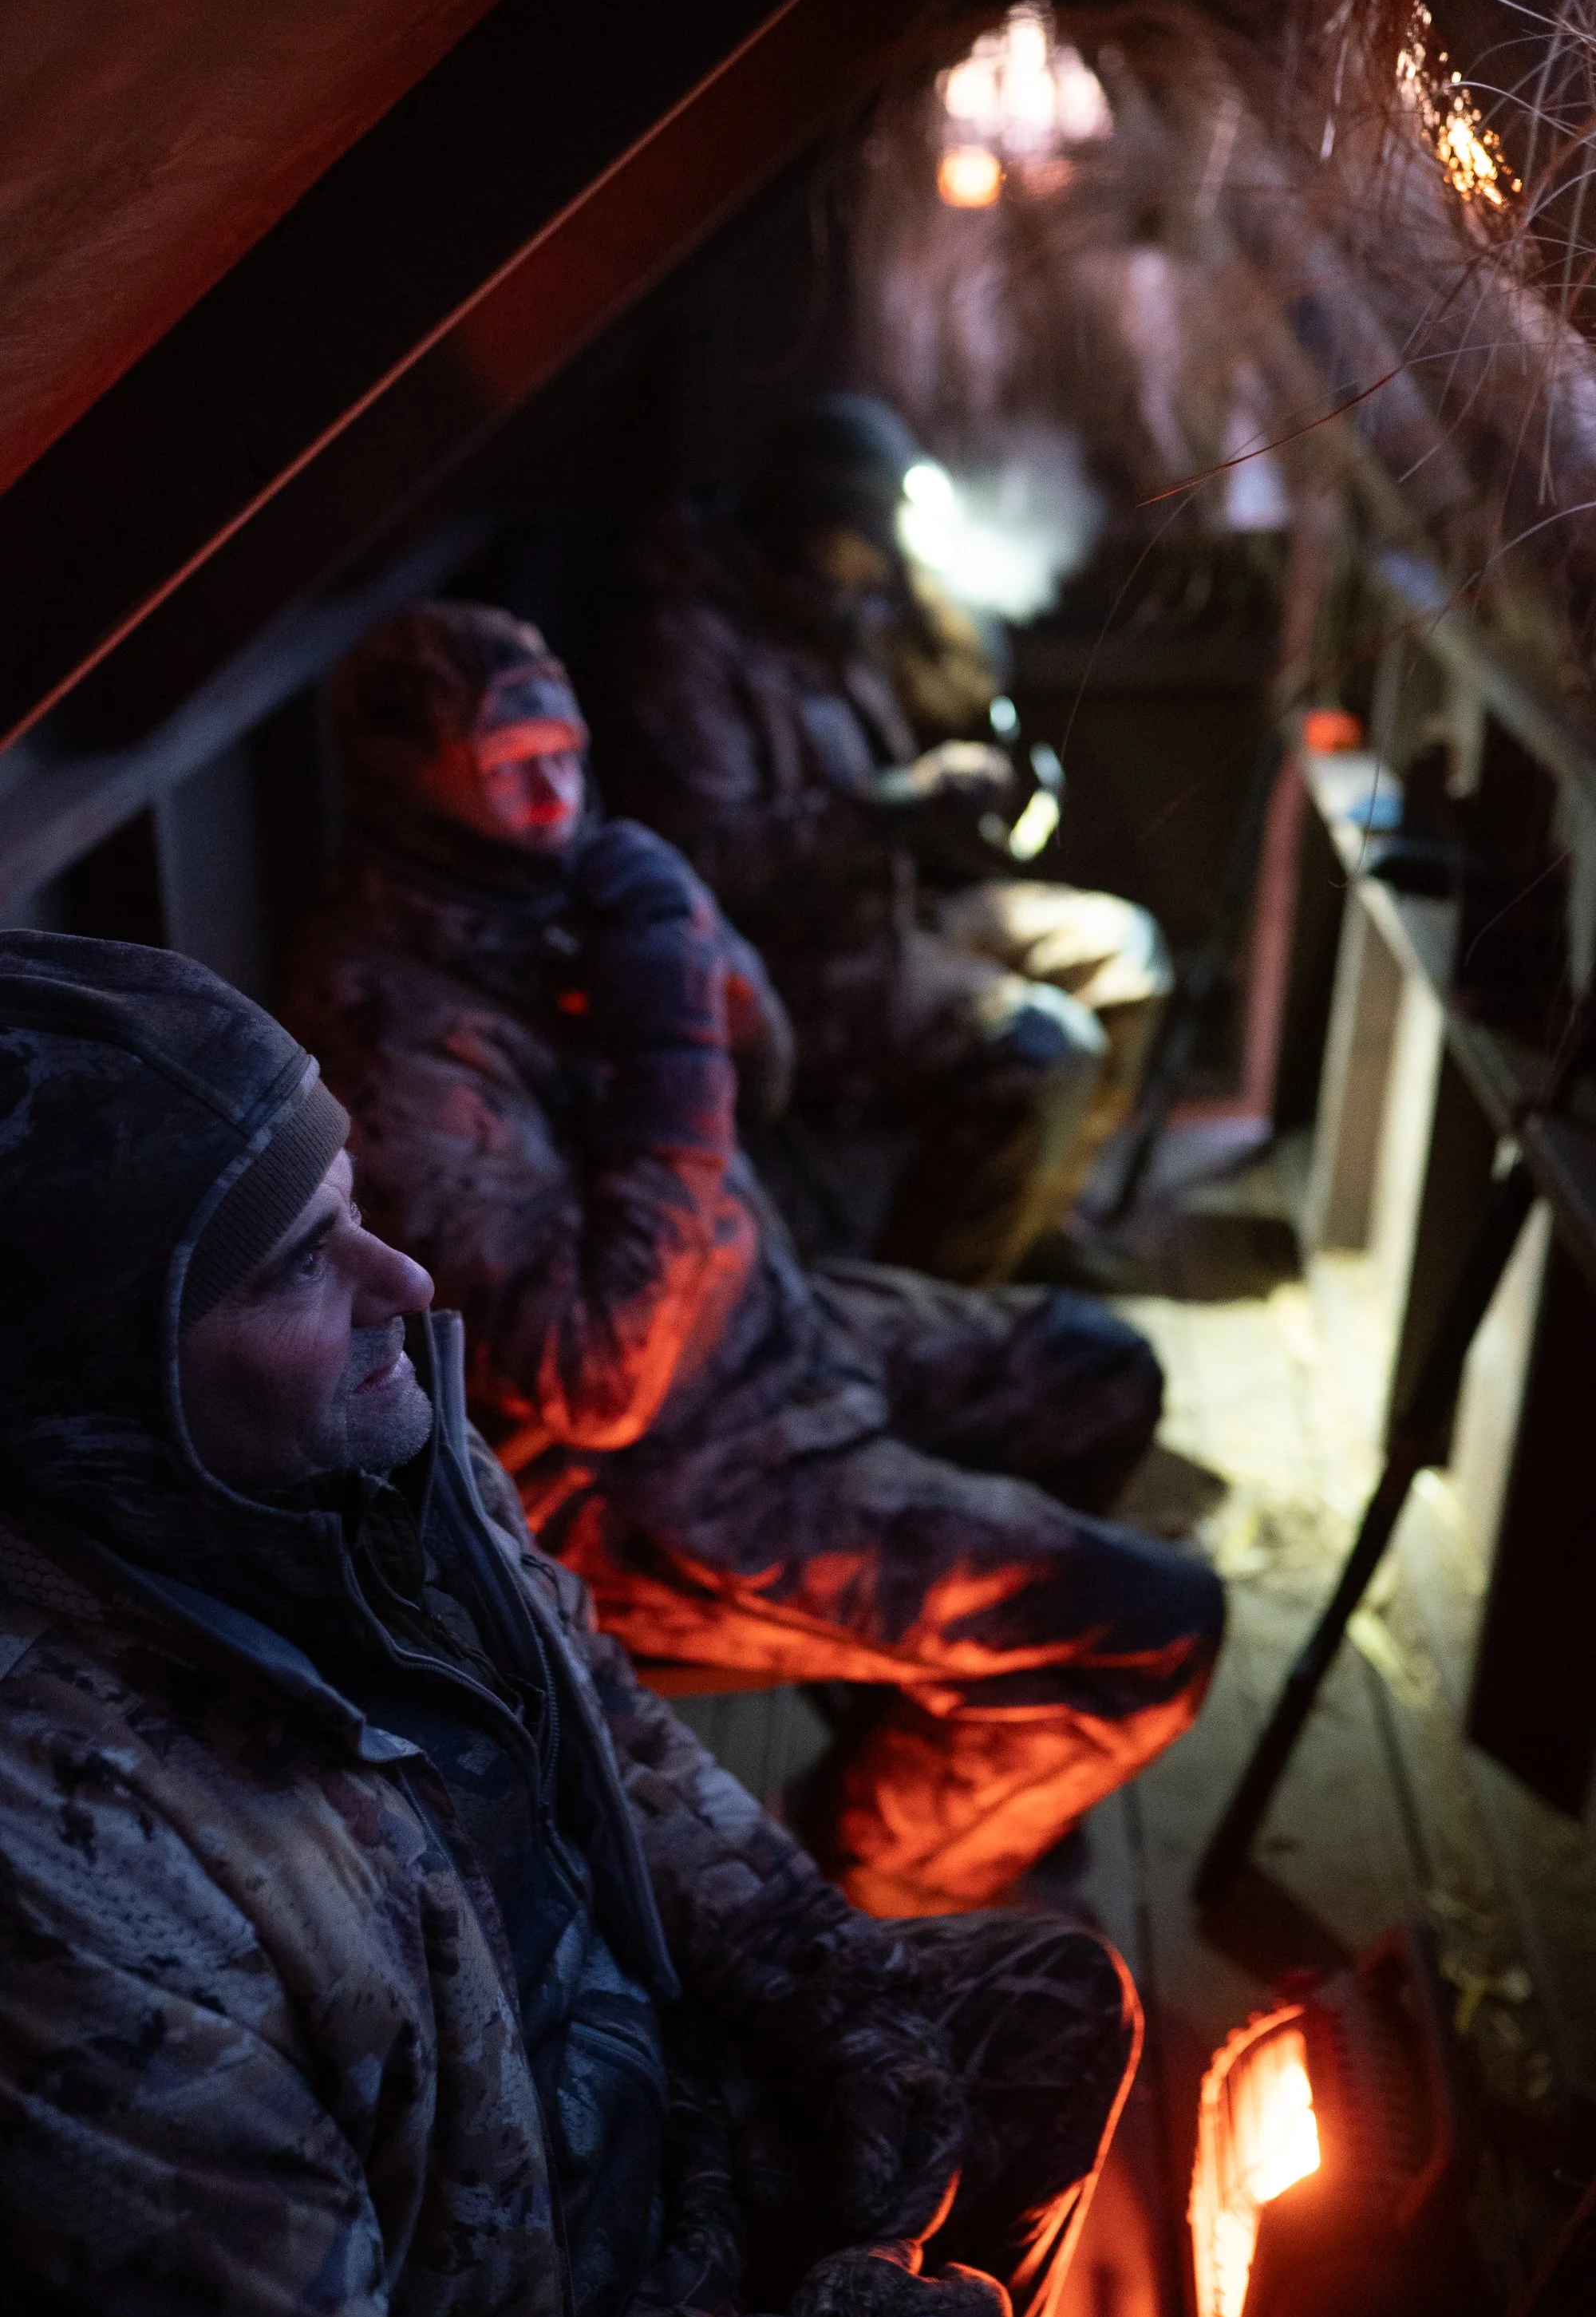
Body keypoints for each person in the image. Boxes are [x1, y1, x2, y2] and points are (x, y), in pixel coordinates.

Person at [0, 927, 1141, 2317]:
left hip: (643, 2095)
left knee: (1050, 2009)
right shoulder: (61, 1859)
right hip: (534, 2271)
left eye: (353, 1200)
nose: (404, 1285)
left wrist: (820, 1977)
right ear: (100, 1386)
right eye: (298, 1267)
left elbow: (615, 1730)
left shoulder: (376, 1466)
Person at [283, 599, 1223, 1920]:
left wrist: (690, 943)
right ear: (413, 786)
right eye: (513, 768)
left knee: (1095, 1368)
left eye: (566, 748)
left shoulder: (561, 890)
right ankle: (863, 1904)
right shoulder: (392, 1028)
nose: (559, 789)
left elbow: (765, 1080)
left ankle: (930, 1766)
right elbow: (596, 1379)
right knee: (1145, 1626)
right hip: (640, 1483)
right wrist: (668, 1036)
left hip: (768, 1333)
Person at [595, 391, 1174, 1286]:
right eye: (869, 539)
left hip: (895, 916)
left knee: (1122, 954)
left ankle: (1027, 1229)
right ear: (810, 526)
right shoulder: (688, 648)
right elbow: (703, 861)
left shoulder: (837, 611)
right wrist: (889, 804)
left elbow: (957, 690)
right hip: (794, 970)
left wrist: (930, 606)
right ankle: (936, 1302)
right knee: (1043, 1050)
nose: (880, 563)